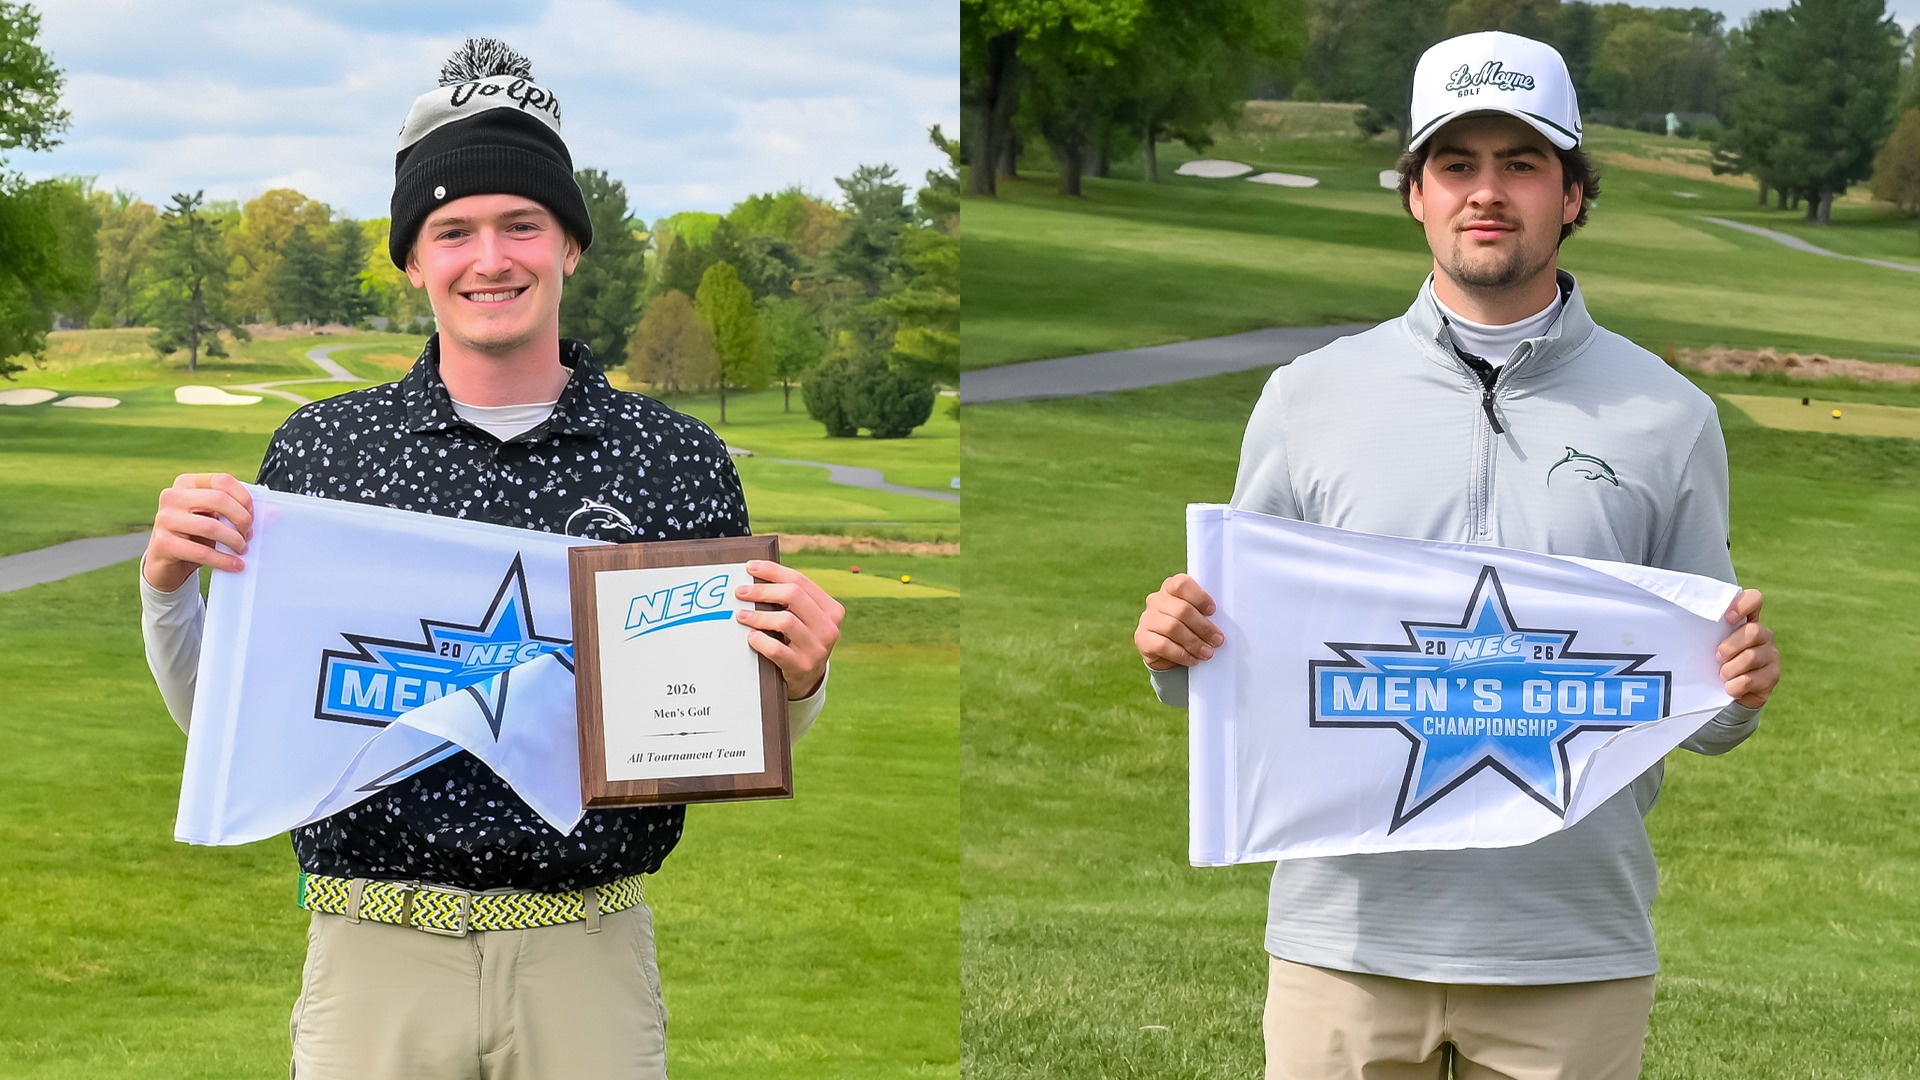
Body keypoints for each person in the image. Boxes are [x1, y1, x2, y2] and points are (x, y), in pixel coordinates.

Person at [138, 39, 843, 1080]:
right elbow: (237, 724)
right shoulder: (324, 454)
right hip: (374, 955)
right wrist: (168, 595)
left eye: (523, 224)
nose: (491, 257)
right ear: (414, 259)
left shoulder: (672, 459)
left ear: (571, 247)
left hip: (587, 955)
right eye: (453, 230)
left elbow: (712, 729)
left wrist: (801, 677)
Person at [1132, 31, 1781, 1080]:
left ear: (1573, 194)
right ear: (1416, 194)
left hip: (1571, 945)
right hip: (1344, 942)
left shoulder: (1669, 415)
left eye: (1522, 164)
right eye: (1457, 165)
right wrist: (1178, 651)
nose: (1488, 193)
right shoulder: (1309, 397)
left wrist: (1741, 686)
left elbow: (1709, 709)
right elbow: (1235, 666)